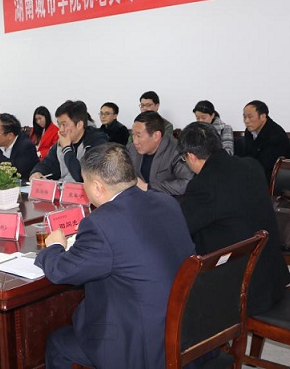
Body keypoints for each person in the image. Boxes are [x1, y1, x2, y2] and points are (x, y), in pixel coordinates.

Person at [35, 143, 194, 369]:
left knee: (57, 342)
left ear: (97, 187)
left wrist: (54, 247)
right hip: (185, 330)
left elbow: (61, 271)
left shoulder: (102, 223)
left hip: (143, 348)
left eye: (84, 182)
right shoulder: (167, 202)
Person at [178, 122, 290, 315]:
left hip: (243, 289)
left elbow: (181, 229)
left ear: (191, 156)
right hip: (272, 277)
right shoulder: (251, 165)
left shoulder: (203, 184)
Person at [29, 100, 108, 183]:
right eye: (59, 125)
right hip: (64, 188)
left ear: (79, 125)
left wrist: (67, 149)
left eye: (64, 124)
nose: (61, 130)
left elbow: (83, 177)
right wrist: (37, 172)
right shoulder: (60, 144)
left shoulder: (97, 143)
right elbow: (47, 163)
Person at [128, 111, 194, 196]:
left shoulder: (177, 151)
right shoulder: (132, 149)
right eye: (133, 135)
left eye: (138, 136)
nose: (135, 141)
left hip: (169, 201)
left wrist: (149, 187)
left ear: (156, 136)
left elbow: (186, 183)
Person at [243, 100, 290, 179]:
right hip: (254, 173)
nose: (246, 121)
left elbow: (267, 165)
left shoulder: (276, 135)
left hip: (272, 178)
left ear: (262, 116)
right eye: (244, 117)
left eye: (250, 117)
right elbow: (247, 156)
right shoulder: (249, 132)